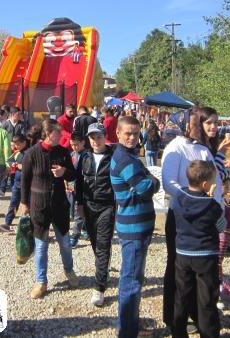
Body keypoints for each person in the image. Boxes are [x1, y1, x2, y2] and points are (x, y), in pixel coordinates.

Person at [111, 116, 159, 338]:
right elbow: (146, 188)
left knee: (131, 279)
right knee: (131, 282)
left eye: (135, 133)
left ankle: (128, 325)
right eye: (127, 133)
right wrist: (151, 179)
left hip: (135, 225)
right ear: (118, 134)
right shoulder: (125, 159)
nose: (132, 137)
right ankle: (128, 332)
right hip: (133, 228)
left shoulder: (128, 155)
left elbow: (142, 185)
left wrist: (145, 179)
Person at [19, 119, 79, 299]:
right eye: (58, 133)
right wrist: (24, 203)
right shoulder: (31, 154)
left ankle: (69, 271)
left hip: (60, 204)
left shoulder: (63, 152)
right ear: (47, 134)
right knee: (41, 246)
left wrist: (64, 172)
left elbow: (73, 175)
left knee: (65, 243)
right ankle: (41, 281)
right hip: (39, 205)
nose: (61, 136)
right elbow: (24, 180)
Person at [172, 161, 226, 338]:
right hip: (205, 255)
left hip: (183, 253)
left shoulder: (178, 197)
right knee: (207, 298)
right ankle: (208, 332)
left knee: (182, 295)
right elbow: (222, 226)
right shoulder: (212, 206)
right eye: (212, 181)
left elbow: (173, 214)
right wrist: (211, 199)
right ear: (205, 184)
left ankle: (178, 332)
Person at [75, 123, 116, 307]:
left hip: (107, 205)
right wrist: (79, 204)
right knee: (95, 242)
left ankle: (99, 287)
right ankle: (103, 268)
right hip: (89, 205)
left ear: (105, 137)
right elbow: (78, 182)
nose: (95, 141)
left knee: (102, 245)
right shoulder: (84, 156)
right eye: (92, 137)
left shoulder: (113, 156)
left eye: (99, 137)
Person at [0, 134, 27, 232]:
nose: (16, 147)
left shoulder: (29, 153)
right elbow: (9, 160)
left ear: (24, 142)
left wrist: (22, 166)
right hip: (17, 183)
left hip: (28, 183)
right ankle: (7, 223)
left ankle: (27, 225)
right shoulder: (17, 153)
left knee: (27, 205)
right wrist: (12, 164)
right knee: (13, 203)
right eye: (15, 145)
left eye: (18, 144)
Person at [68, 133, 88, 247]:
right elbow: (70, 171)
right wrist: (68, 186)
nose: (74, 147)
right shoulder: (72, 154)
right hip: (73, 188)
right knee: (75, 211)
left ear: (83, 143)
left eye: (76, 145)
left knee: (79, 213)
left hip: (84, 188)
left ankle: (75, 235)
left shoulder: (87, 155)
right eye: (72, 145)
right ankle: (85, 229)